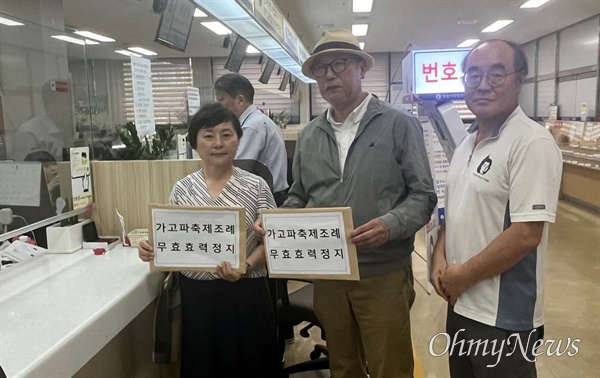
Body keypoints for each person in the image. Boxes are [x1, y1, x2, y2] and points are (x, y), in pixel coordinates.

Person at [257, 29, 437, 378]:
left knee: (390, 367)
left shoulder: (399, 125)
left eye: (339, 64)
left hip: (382, 273)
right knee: (343, 366)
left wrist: (390, 224)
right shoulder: (310, 135)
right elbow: (299, 196)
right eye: (321, 68)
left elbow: (423, 195)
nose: (329, 75)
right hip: (329, 273)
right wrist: (280, 221)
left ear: (361, 68)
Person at [430, 39, 563, 377]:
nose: (483, 85)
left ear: (520, 79)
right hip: (460, 303)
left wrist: (463, 276)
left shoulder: (531, 143)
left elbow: (525, 235)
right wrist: (440, 257)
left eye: (496, 74)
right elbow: (457, 210)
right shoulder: (466, 142)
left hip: (503, 317)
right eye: (473, 75)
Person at [138, 102, 281, 378]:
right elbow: (174, 241)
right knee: (205, 366)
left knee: (252, 366)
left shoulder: (256, 185)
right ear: (195, 143)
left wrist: (246, 266)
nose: (218, 143)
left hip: (246, 295)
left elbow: (272, 241)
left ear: (238, 140)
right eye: (208, 135)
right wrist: (153, 250)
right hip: (198, 299)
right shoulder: (182, 189)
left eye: (227, 134)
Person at [214, 73, 289, 205]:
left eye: (221, 99)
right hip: (268, 195)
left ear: (240, 100)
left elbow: (239, 169)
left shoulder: (251, 126)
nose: (219, 106)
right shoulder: (257, 120)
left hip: (266, 199)